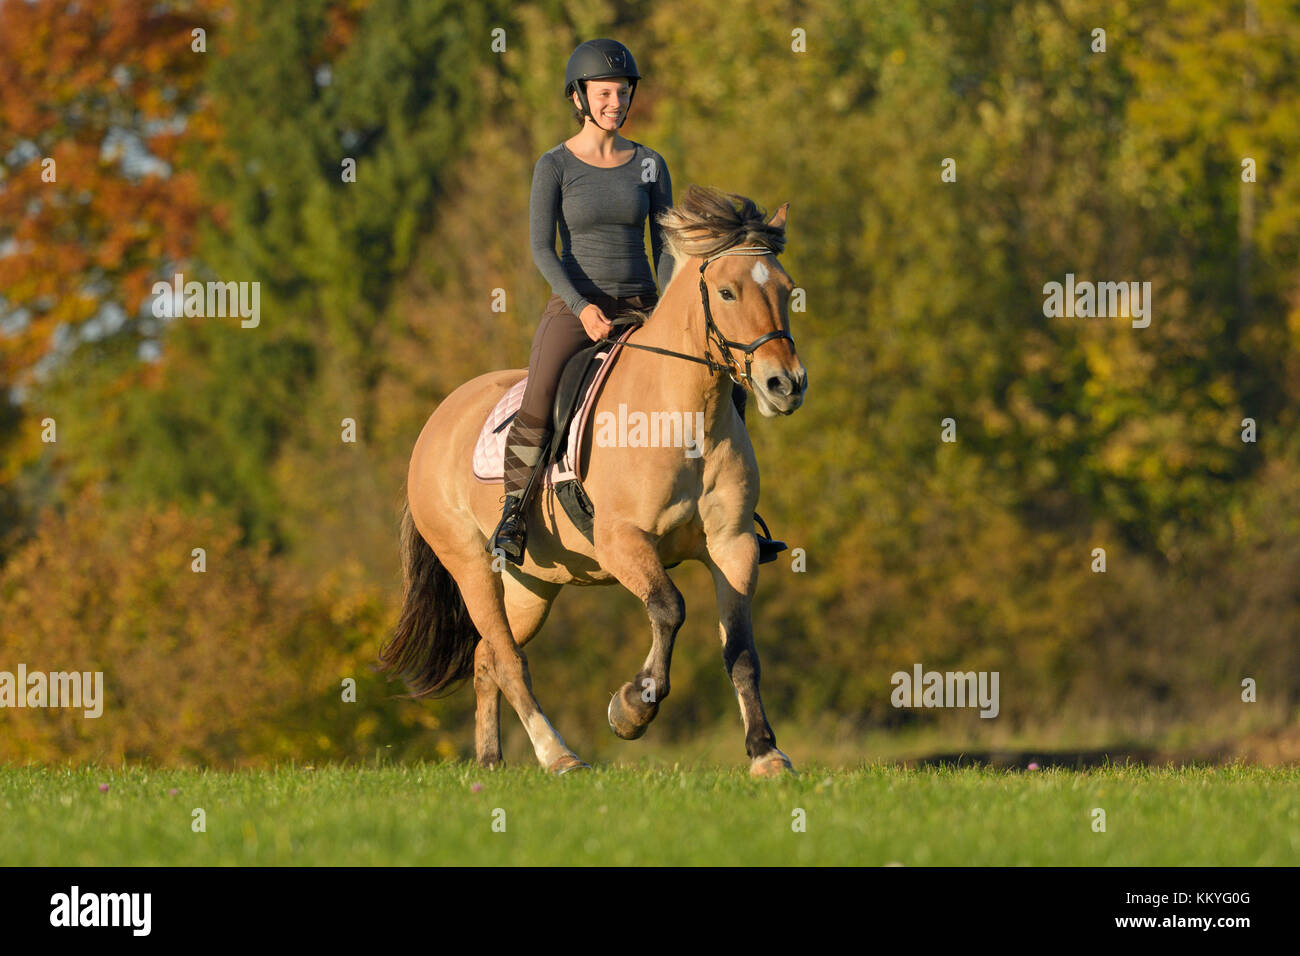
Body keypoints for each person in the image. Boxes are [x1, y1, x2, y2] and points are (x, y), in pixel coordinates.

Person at [488, 37, 785, 566]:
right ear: (578, 97)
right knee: (541, 394)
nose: (615, 102)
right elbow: (540, 247)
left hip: (643, 306)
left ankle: (736, 515)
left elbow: (664, 243)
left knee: (727, 380)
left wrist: (660, 309)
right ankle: (512, 513)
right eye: (604, 93)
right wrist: (580, 307)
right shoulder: (553, 166)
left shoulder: (649, 163)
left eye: (622, 93)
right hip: (577, 308)